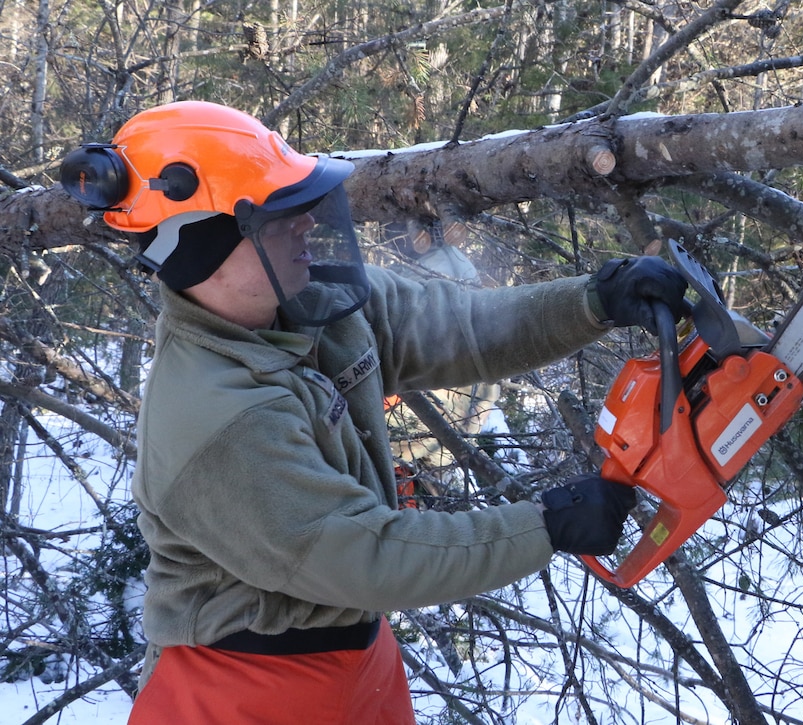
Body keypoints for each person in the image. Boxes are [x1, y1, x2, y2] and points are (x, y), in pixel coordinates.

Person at [60, 101, 689, 724]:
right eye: (281, 217)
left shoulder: (311, 302)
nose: (307, 225)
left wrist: (593, 301)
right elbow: (367, 556)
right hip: (239, 689)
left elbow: (461, 326)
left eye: (305, 205)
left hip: (356, 659)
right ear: (206, 246)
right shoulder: (215, 415)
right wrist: (546, 525)